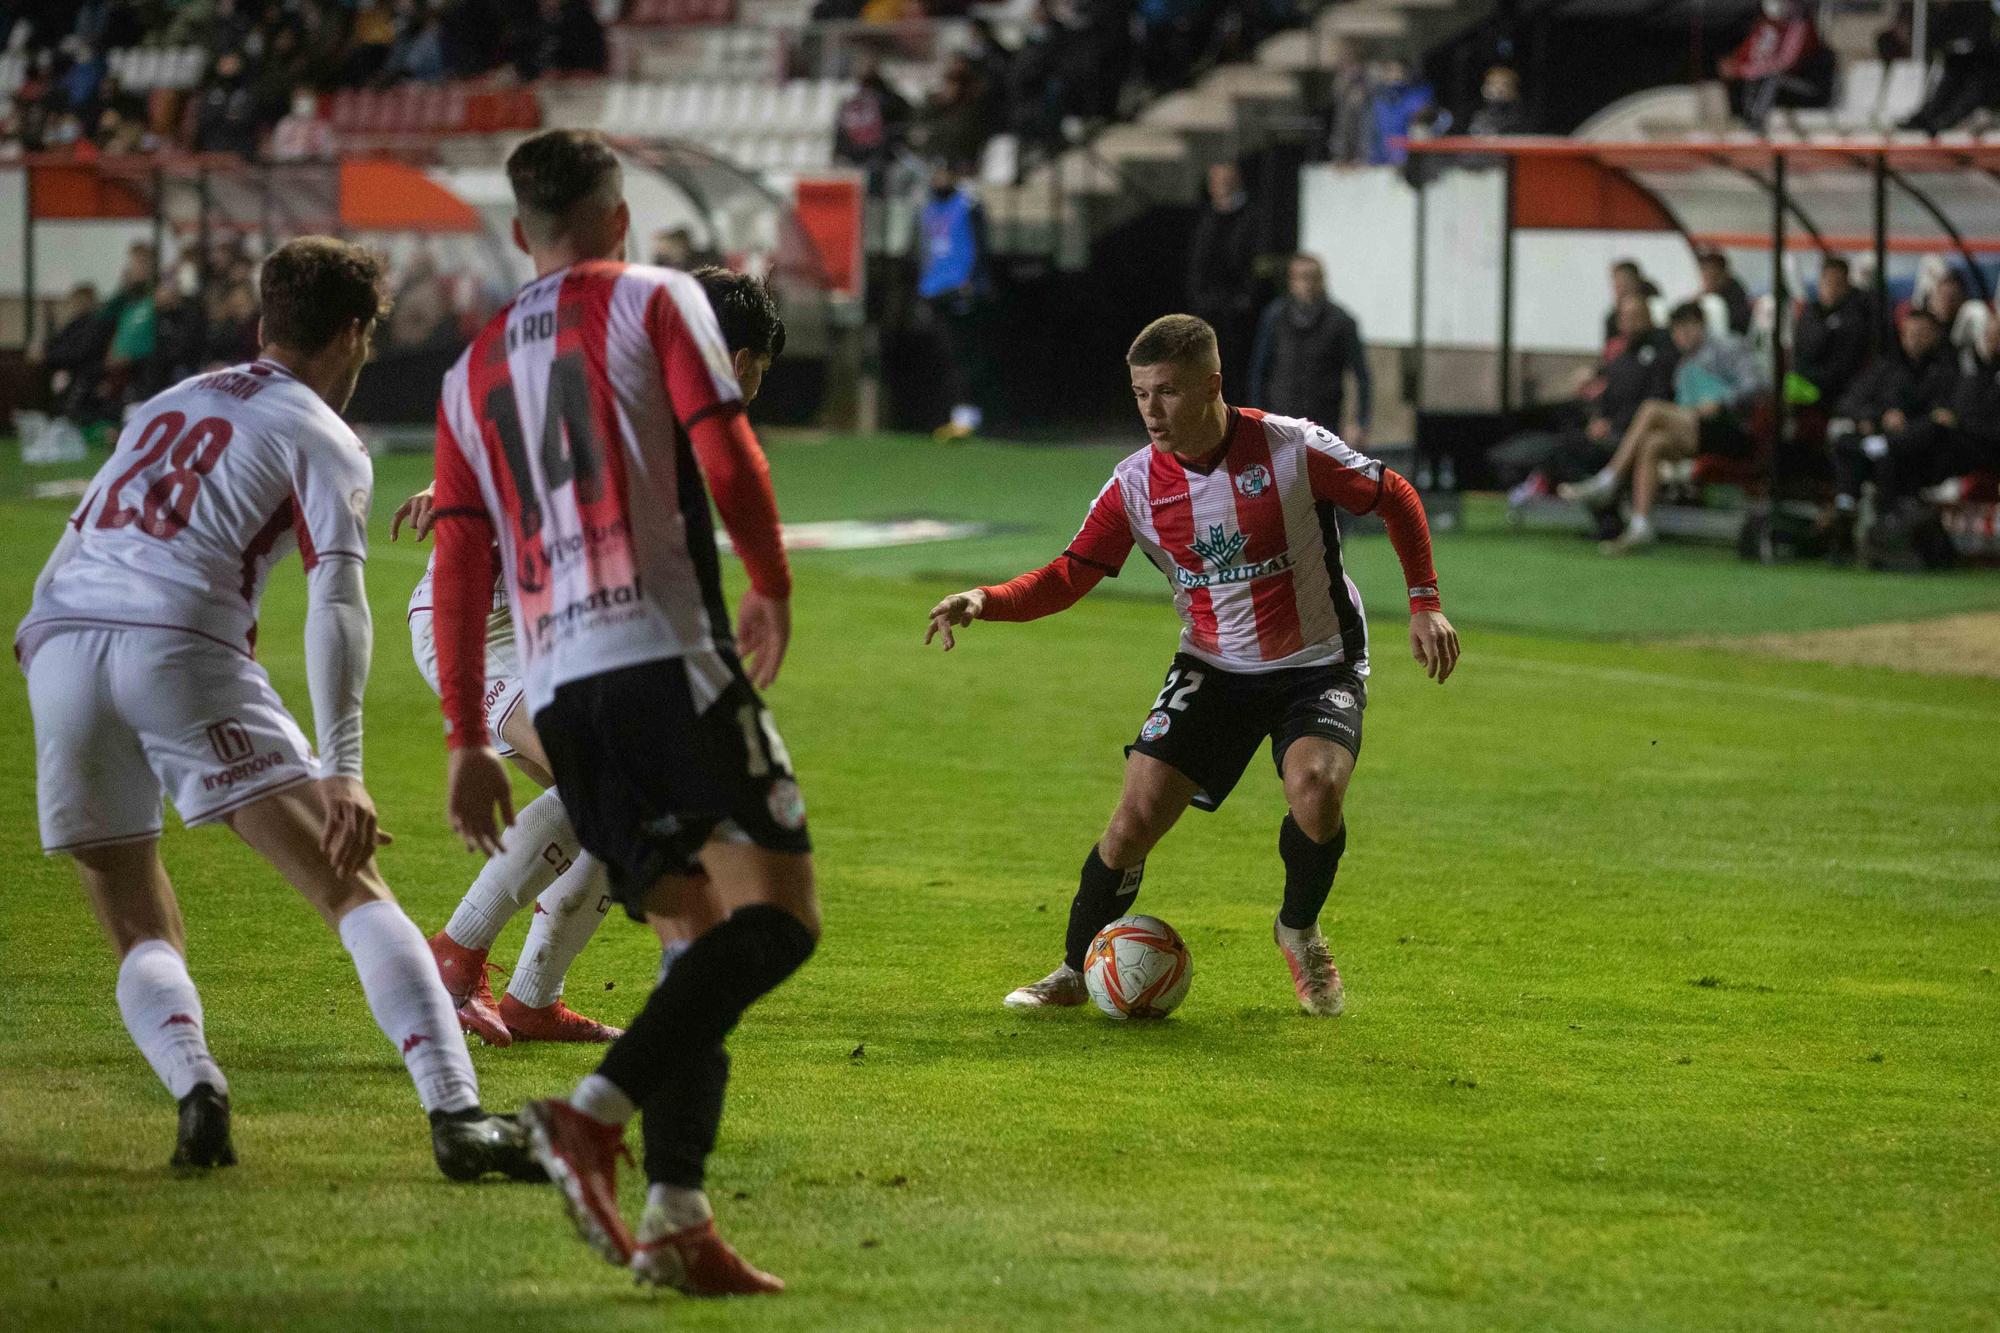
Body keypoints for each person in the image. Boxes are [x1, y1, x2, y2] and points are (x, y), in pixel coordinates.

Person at [14, 236, 538, 1180]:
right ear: (351, 336)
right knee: (351, 889)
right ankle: (459, 1116)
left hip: (55, 640)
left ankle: (197, 1089)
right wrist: (344, 769)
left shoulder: (165, 404)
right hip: (175, 639)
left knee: (137, 919)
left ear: (264, 323)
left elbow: (85, 535)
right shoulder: (322, 433)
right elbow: (337, 602)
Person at [430, 130, 817, 1296]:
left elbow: (460, 563)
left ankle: (677, 1214)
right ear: (618, 219)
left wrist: (461, 733)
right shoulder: (654, 302)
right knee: (778, 917)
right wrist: (770, 578)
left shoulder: (467, 368)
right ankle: (590, 1119)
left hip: (557, 685)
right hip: (662, 658)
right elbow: (726, 448)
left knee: (689, 940)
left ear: (518, 233)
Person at [924, 314, 1458, 1019]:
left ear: (1212, 384)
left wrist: (1424, 601)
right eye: (1141, 393)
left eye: (1168, 391)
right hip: (1213, 663)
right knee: (1133, 820)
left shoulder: (1293, 448)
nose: (1151, 409)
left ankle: (1298, 929)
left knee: (1318, 790)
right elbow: (1070, 573)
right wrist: (984, 598)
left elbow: (1395, 495)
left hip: (1317, 660)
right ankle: (1073, 969)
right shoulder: (1136, 485)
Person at [391, 265, 787, 1048]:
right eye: (760, 370)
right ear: (739, 361)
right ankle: (457, 955)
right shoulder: (644, 398)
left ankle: (533, 998)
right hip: (483, 626)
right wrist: (456, 492)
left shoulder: (648, 399)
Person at [1560, 302, 1767, 553]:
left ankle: (1610, 479)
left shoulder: (1728, 346)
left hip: (1733, 429)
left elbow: (1758, 385)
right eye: (1677, 331)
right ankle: (1641, 524)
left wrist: (1721, 403)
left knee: (1651, 409)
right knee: (1652, 444)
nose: (1683, 336)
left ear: (1701, 325)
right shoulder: (1682, 365)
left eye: (1688, 328)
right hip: (1698, 431)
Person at [1494, 293, 1677, 501]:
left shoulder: (1661, 354)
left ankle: (1602, 504)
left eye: (1637, 315)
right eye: (1626, 317)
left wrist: (1613, 423)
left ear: (1648, 317)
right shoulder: (1619, 359)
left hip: (1629, 433)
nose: (1631, 322)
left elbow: (1656, 400)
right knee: (1560, 430)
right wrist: (1595, 420)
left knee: (1567, 449)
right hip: (1605, 428)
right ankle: (1552, 483)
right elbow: (1605, 395)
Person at [1825, 309, 1962, 557]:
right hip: (1876, 442)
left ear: (1934, 336)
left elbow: (1942, 419)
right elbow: (1848, 403)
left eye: (1921, 333)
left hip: (1919, 453)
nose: (1914, 339)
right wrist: (1876, 416)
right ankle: (1845, 511)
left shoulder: (1946, 373)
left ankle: (1884, 528)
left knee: (1887, 454)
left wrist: (1906, 426)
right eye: (1909, 333)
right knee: (1845, 444)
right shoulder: (1886, 368)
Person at [1247, 253, 1371, 448]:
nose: (1308, 284)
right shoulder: (1275, 317)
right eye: (1302, 278)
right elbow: (1259, 369)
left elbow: (1362, 375)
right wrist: (1256, 417)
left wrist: (1360, 422)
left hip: (1324, 421)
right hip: (1281, 418)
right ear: (1291, 281)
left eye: (1313, 277)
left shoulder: (1341, 322)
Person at [918, 160, 991, 441]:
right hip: (935, 290)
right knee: (948, 356)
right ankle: (955, 415)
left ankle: (969, 418)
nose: (939, 179)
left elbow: (979, 245)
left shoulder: (968, 205)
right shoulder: (927, 208)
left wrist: (971, 282)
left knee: (966, 354)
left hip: (961, 290)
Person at [1187, 162, 1263, 402]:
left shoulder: (1252, 218)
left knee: (1236, 369)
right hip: (1208, 310)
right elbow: (1197, 265)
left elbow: (1255, 264)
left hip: (1238, 314)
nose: (1221, 187)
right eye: (1217, 182)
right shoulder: (1205, 219)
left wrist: (1245, 300)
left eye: (1226, 181)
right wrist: (1199, 300)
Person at [1717, 0, 1833, 130]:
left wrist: (1744, 70)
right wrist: (1735, 66)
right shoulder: (1764, 27)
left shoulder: (1799, 26)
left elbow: (1785, 62)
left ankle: (1754, 127)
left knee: (1769, 79)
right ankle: (1737, 122)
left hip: (1807, 88)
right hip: (1774, 86)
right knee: (1739, 78)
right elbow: (1746, 55)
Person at [1793, 256, 1871, 408]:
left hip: (1839, 389)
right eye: (1827, 282)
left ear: (1847, 286)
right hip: (1805, 382)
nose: (1831, 288)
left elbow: (1846, 364)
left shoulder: (1856, 317)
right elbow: (1802, 352)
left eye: (1838, 283)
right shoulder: (1810, 313)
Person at [1697, 250, 1753, 338]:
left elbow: (1735, 325)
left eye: (1712, 276)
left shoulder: (1733, 294)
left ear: (1723, 273)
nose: (1708, 279)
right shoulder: (1709, 294)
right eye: (1704, 272)